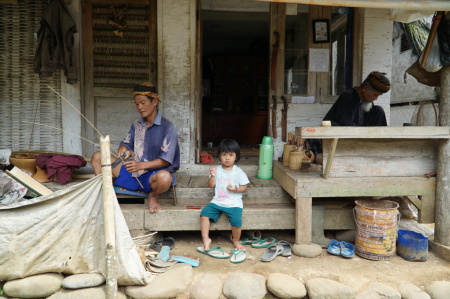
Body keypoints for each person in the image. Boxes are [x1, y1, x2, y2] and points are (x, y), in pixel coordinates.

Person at [90, 82, 180, 213]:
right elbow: (126, 143)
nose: (139, 107)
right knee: (97, 157)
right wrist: (124, 149)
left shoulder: (168, 127)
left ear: (154, 101)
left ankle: (153, 195)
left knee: (165, 178)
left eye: (143, 103)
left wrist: (141, 166)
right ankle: (106, 194)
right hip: (133, 171)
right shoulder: (137, 124)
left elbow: (166, 160)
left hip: (153, 176)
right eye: (137, 104)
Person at [199, 139, 250, 254]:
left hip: (233, 203)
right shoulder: (217, 171)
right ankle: (206, 239)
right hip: (217, 201)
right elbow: (211, 185)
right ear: (219, 156)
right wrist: (212, 176)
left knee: (236, 221)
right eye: (224, 154)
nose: (227, 158)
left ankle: (236, 240)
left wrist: (237, 189)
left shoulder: (239, 172)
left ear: (236, 157)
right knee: (204, 215)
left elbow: (244, 187)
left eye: (231, 155)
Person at [323, 71, 391, 126]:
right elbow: (346, 126)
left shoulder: (365, 100)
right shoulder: (348, 97)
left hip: (359, 134)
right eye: (375, 95)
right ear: (365, 88)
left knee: (378, 110)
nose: (376, 98)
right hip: (341, 137)